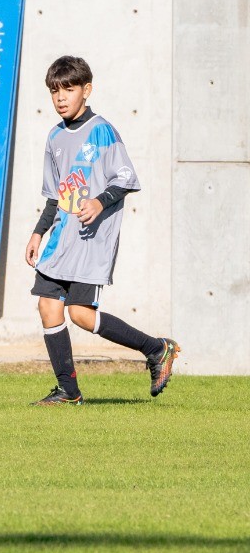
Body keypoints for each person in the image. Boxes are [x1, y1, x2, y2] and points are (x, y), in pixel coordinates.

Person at [24, 55, 179, 405]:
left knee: (80, 314)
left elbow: (126, 178)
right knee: (48, 307)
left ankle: (156, 349)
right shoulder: (54, 138)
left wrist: (100, 201)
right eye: (54, 91)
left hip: (91, 241)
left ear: (86, 90)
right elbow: (53, 195)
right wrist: (37, 233)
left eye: (69, 88)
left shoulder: (102, 130)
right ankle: (69, 392)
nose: (61, 97)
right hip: (60, 239)